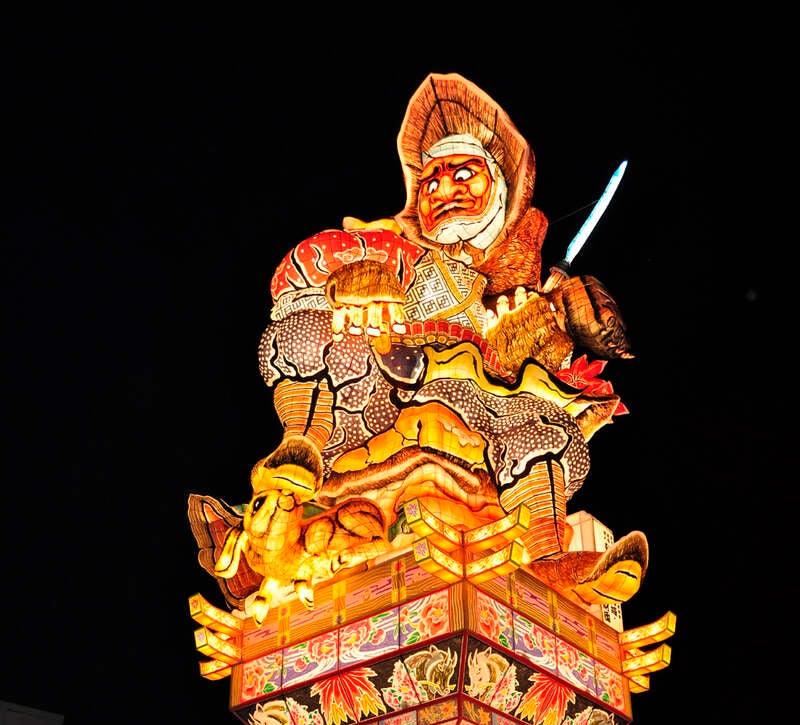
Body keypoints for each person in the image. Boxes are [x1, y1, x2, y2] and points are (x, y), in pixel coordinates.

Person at [191, 73, 645, 626]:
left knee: (545, 427)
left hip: (481, 424)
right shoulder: (394, 249)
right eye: (429, 180)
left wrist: (559, 322)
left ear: (502, 185)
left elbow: (583, 363)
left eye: (463, 174)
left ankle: (544, 558)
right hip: (381, 401)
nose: (443, 189)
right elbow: (298, 268)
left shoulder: (521, 294)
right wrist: (357, 276)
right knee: (309, 324)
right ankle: (298, 449)